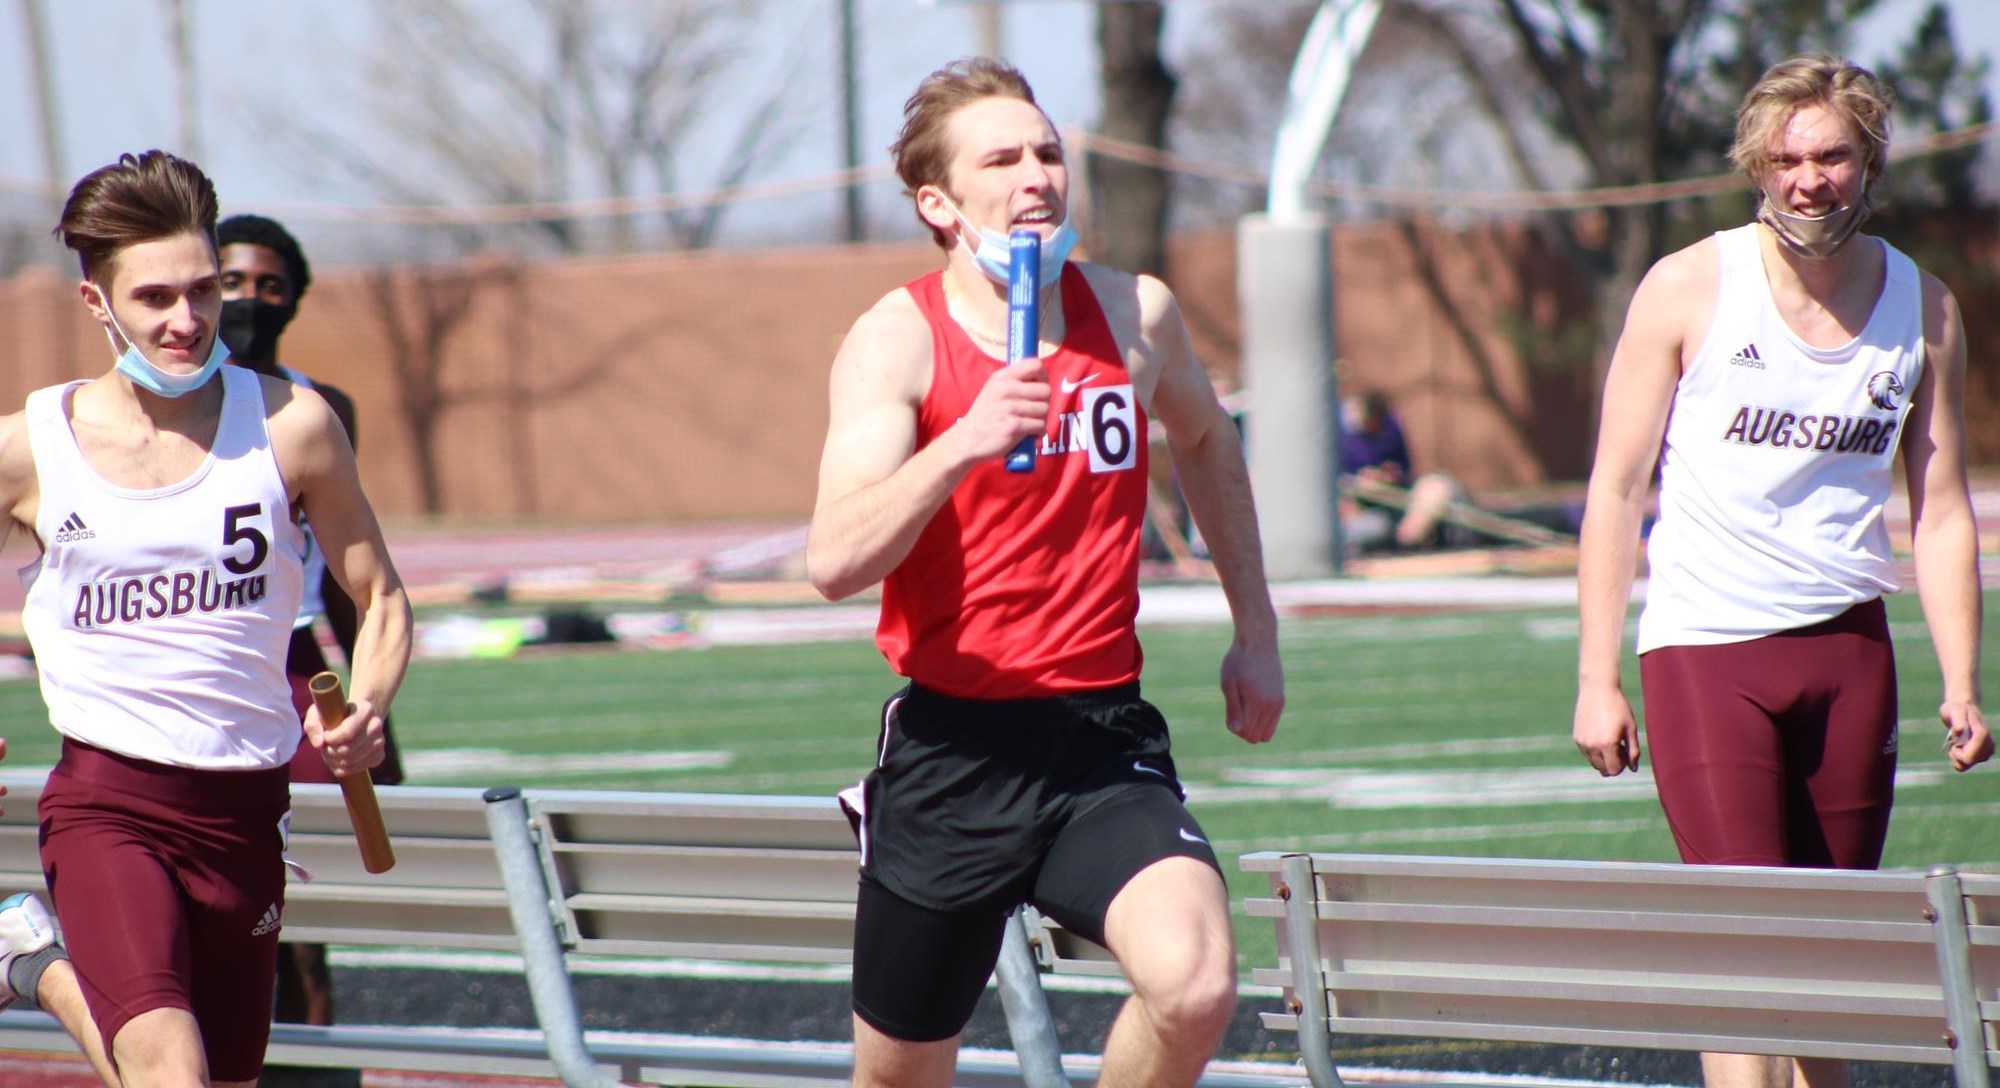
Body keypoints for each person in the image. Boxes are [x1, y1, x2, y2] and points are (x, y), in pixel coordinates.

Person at [806, 58, 1284, 1088]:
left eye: (1048, 152)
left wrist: (1254, 628)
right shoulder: (897, 341)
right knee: (896, 1077)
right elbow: (833, 559)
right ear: (938, 202)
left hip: (1097, 742)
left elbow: (1204, 441)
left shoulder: (1133, 314)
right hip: (949, 753)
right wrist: (960, 444)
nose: (1035, 176)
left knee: (1195, 983)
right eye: (1001, 158)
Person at [1572, 54, 1990, 1088]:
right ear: (1755, 167)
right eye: (1785, 158)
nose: (1808, 178)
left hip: (1848, 651)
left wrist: (1961, 677)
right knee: (1747, 949)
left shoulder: (1923, 307)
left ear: (1868, 161)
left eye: (1831, 155)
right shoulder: (1686, 286)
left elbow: (1937, 509)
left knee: (1826, 970)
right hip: (1706, 648)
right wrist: (1594, 676)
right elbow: (1615, 490)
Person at [0, 149, 412, 1088]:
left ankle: (35, 964)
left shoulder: (291, 425)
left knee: (215, 1080)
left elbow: (382, 596)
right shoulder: (32, 448)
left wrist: (369, 706)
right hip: (109, 805)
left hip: (244, 812)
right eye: (154, 299)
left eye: (202, 292)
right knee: (170, 1073)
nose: (186, 321)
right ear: (97, 304)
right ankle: (51, 967)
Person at [217, 212, 402, 1044]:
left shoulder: (324, 409)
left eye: (269, 286)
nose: (248, 300)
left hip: (297, 668)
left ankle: (318, 1067)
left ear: (295, 298)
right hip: (206, 657)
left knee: (305, 918)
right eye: (230, 283)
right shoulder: (164, 400)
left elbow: (349, 574)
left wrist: (374, 704)